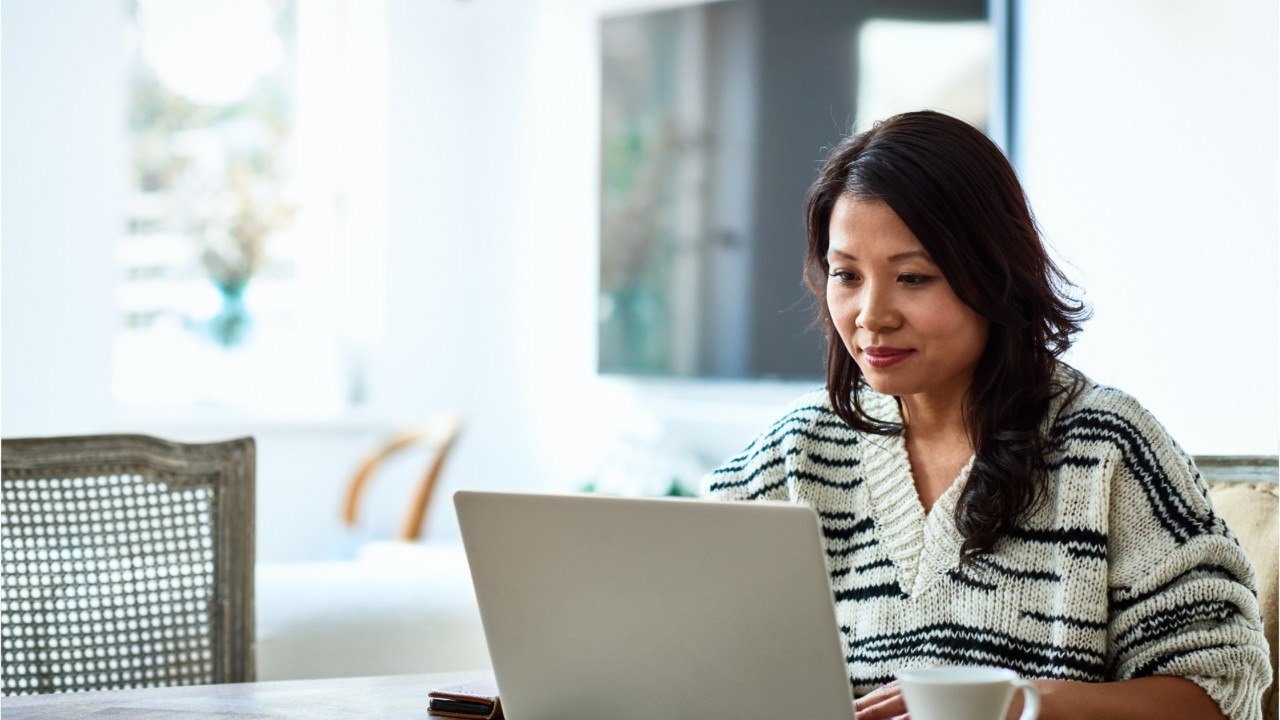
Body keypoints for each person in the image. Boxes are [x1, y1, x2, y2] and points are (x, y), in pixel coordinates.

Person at [701, 111, 1270, 720]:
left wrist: (1027, 703)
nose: (872, 314)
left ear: (994, 273)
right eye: (846, 275)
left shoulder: (1107, 448)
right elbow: (681, 643)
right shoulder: (796, 452)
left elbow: (1220, 689)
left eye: (913, 277)